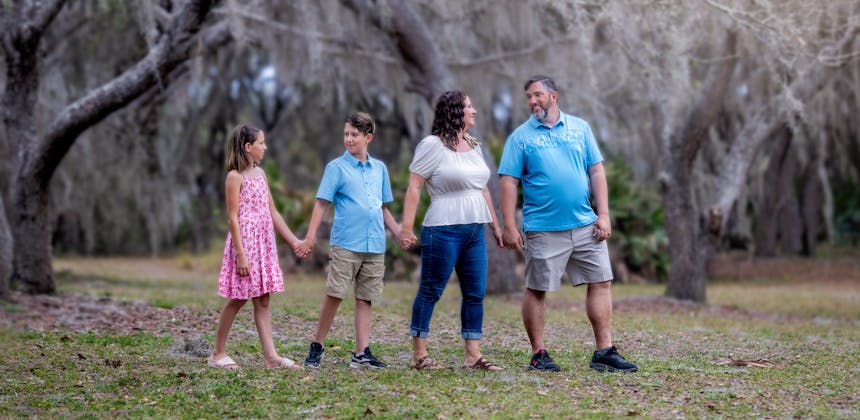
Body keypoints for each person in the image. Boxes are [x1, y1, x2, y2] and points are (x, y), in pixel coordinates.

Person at [498, 75, 638, 373]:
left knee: (601, 282)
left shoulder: (580, 128)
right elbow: (509, 182)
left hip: (586, 225)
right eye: (528, 97)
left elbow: (596, 171)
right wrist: (509, 226)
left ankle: (604, 352)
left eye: (537, 94)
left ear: (554, 96)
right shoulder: (520, 137)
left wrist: (603, 214)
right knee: (537, 288)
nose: (533, 101)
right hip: (543, 227)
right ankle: (539, 354)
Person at [398, 90, 505, 371]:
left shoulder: (474, 145)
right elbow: (415, 186)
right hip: (443, 229)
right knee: (431, 290)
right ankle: (419, 354)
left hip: (475, 230)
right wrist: (406, 227)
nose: (474, 110)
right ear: (455, 111)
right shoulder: (432, 145)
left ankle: (473, 355)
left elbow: (482, 189)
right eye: (469, 106)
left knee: (475, 292)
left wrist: (495, 226)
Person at [299, 112, 400, 369]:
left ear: (368, 137)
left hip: (374, 244)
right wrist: (310, 237)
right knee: (335, 293)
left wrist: (398, 232)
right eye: (346, 134)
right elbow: (321, 204)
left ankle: (362, 353)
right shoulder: (336, 168)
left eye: (354, 134)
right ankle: (317, 345)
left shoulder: (380, 169)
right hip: (346, 242)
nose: (349, 139)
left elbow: (382, 208)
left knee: (365, 298)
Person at [209, 124, 304, 370]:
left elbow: (273, 212)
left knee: (262, 299)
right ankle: (218, 353)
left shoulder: (260, 175)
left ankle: (271, 357)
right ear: (248, 147)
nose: (265, 147)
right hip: (245, 246)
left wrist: (294, 241)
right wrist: (241, 254)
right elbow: (232, 218)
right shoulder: (234, 177)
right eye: (261, 143)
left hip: (263, 244)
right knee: (238, 298)